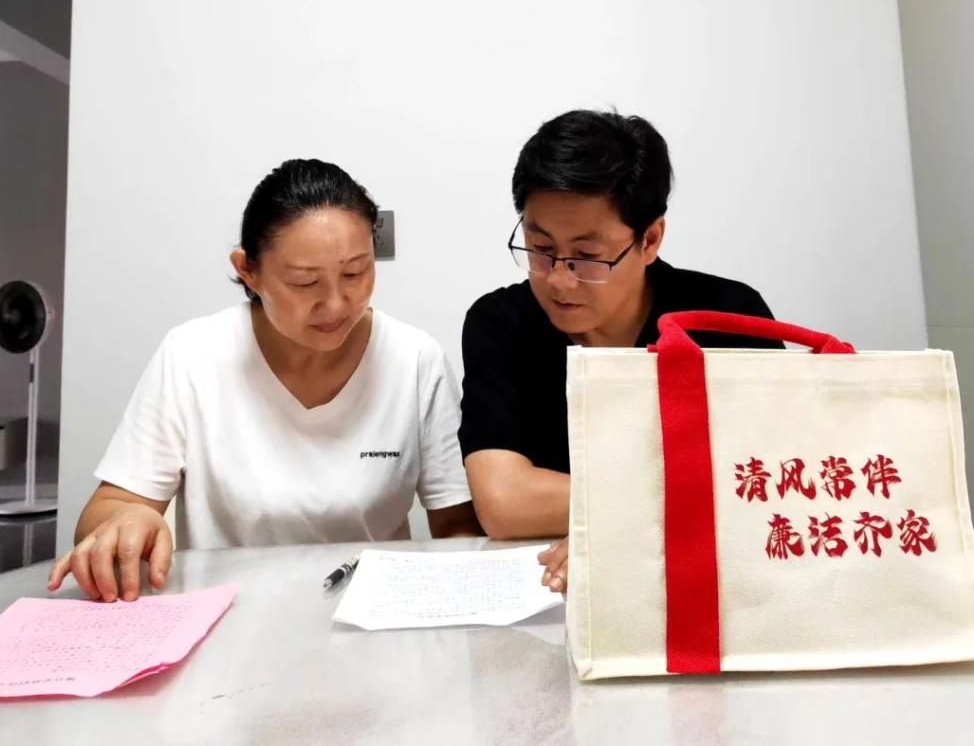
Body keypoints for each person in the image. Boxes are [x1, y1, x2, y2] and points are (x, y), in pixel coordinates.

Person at [49, 158, 480, 602]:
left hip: (367, 614)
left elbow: (458, 525)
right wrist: (128, 520)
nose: (335, 303)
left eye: (355, 272)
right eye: (305, 283)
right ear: (248, 270)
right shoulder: (193, 354)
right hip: (226, 617)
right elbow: (109, 509)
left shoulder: (414, 359)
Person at [459, 110, 782, 592]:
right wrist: (677, 499)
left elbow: (765, 484)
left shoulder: (725, 317)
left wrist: (614, 529)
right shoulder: (500, 323)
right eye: (540, 248)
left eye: (587, 257)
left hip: (708, 583)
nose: (559, 280)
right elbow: (504, 503)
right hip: (547, 588)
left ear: (649, 239)